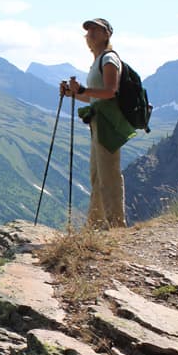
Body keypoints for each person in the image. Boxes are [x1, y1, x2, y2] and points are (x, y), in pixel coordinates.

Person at [60, 18, 130, 229]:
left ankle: (117, 227)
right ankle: (96, 225)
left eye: (95, 29)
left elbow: (110, 91)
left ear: (107, 34)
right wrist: (73, 93)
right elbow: (95, 97)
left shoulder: (109, 59)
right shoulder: (98, 61)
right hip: (99, 123)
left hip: (108, 124)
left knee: (108, 174)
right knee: (98, 175)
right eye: (88, 30)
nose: (90, 33)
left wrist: (81, 90)